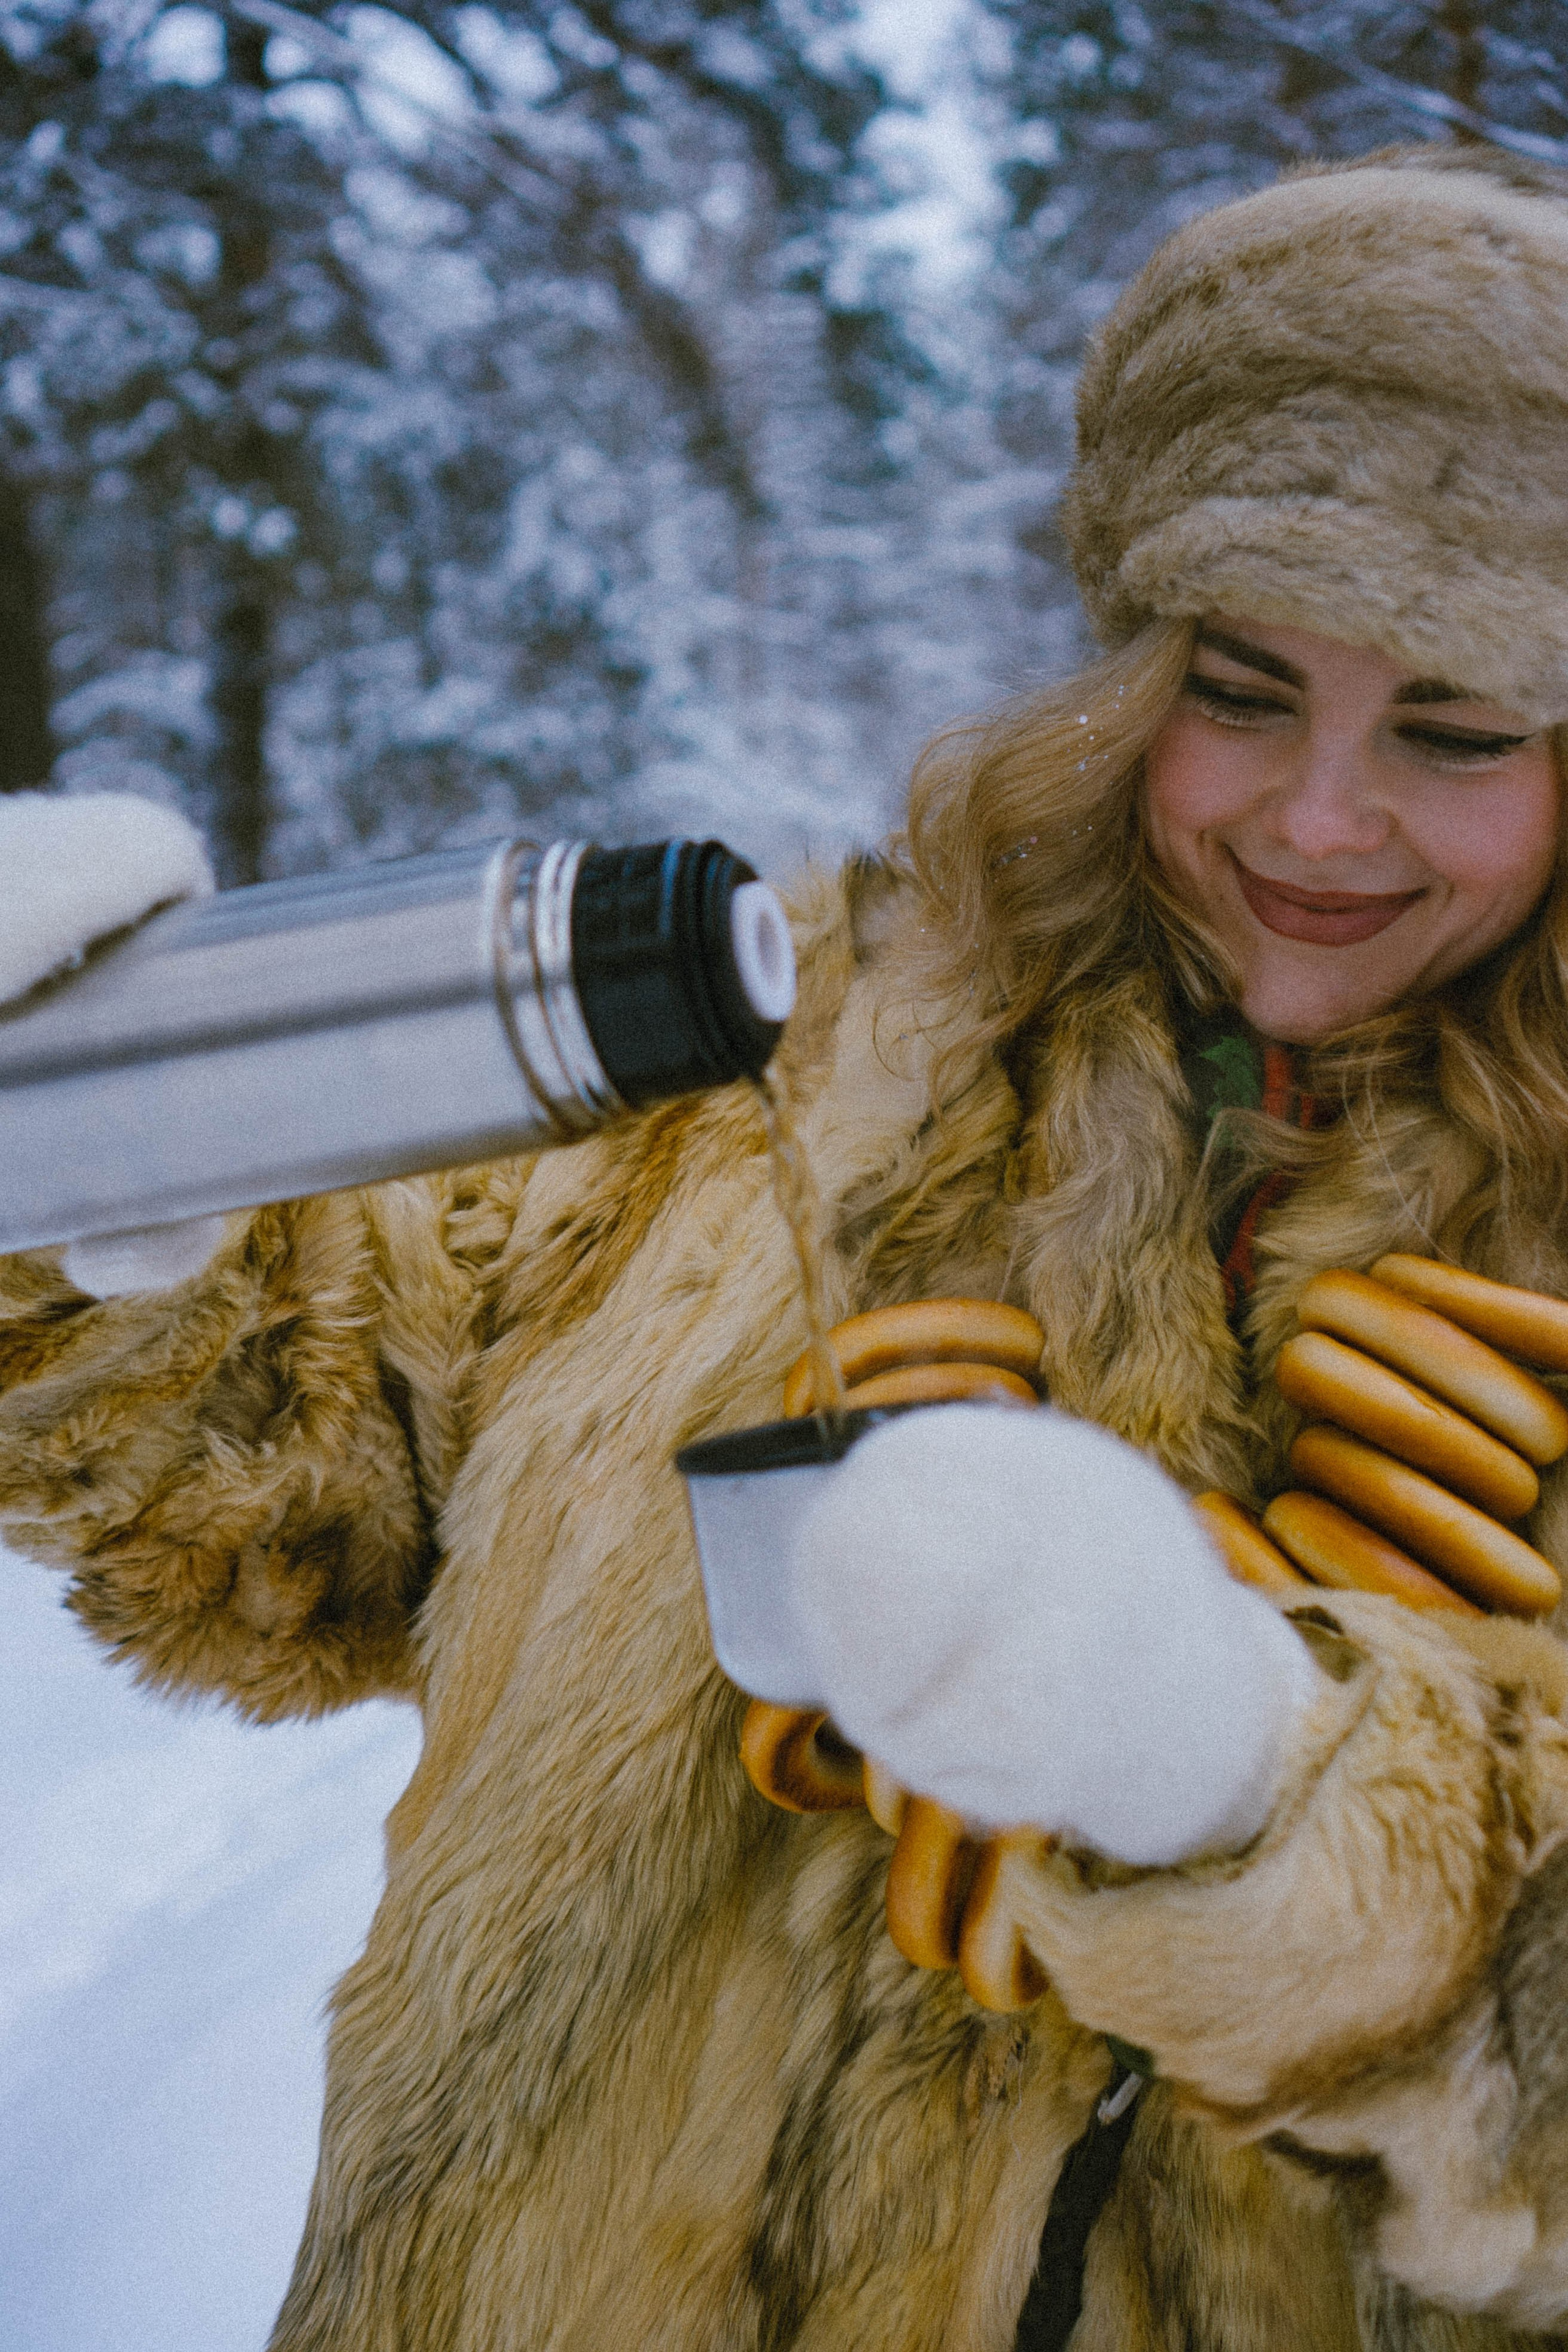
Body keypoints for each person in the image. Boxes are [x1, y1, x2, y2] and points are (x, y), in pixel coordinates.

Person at [7, 141, 1568, 2350]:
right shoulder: (771, 1073)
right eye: (1239, 689)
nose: (1316, 819)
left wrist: (1241, 1782)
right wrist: (91, 1190)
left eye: (1455, 727)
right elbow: (279, 1502)